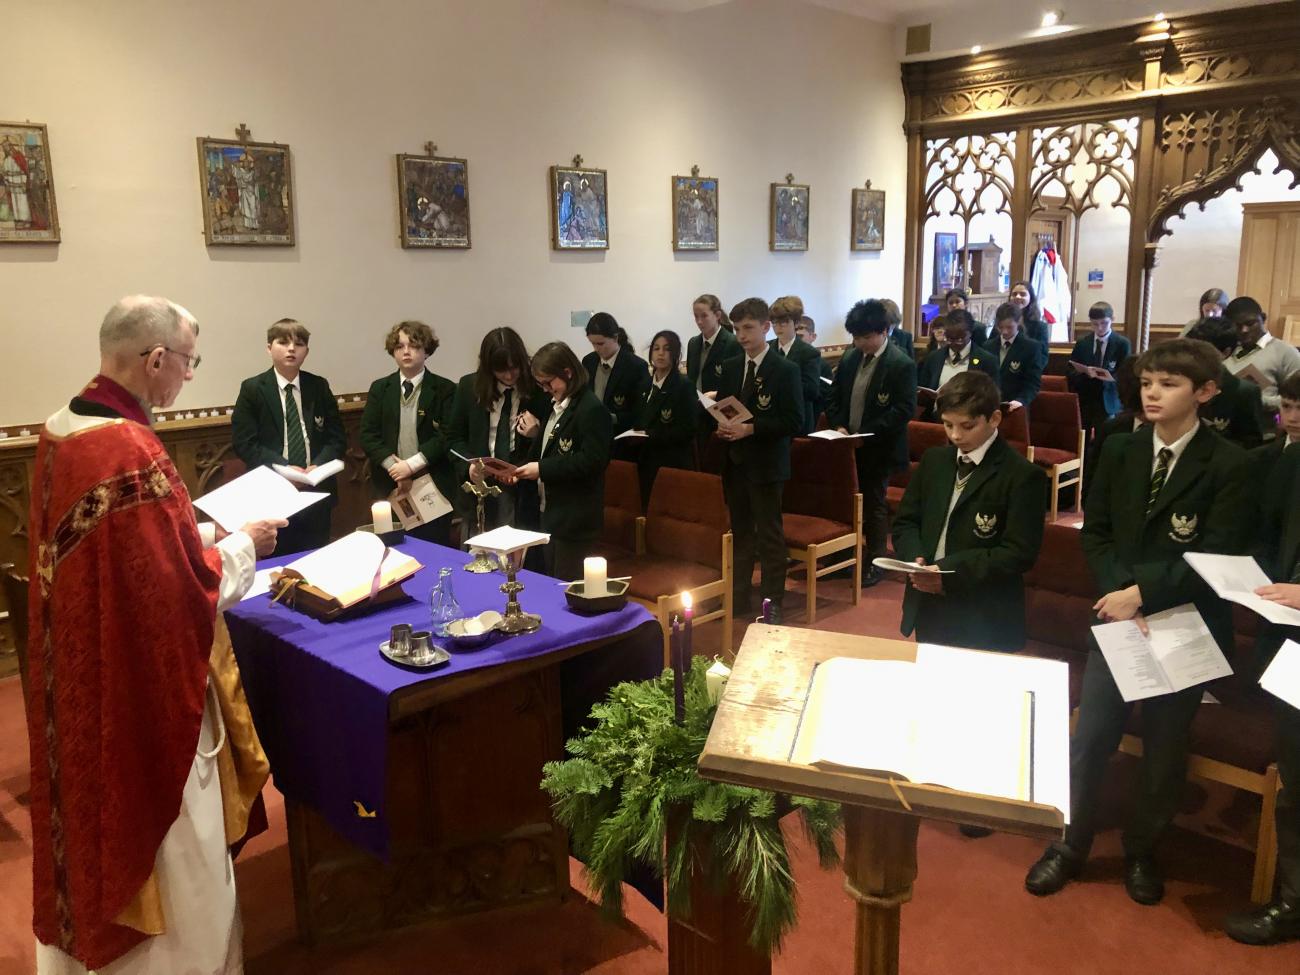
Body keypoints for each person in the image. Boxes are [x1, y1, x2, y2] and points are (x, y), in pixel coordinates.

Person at [27, 295, 282, 975]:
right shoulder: (128, 447)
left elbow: (125, 555)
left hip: (87, 672)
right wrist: (244, 547)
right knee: (176, 844)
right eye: (188, 362)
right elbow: (175, 594)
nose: (189, 377)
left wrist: (194, 535)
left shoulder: (62, 429)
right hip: (144, 694)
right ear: (155, 358)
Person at [1025, 338, 1252, 906]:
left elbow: (1220, 551)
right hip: (1119, 616)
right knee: (1092, 736)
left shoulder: (1229, 462)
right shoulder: (1121, 448)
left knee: (1165, 747)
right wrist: (1120, 592)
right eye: (1148, 382)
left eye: (1169, 384)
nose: (1153, 393)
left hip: (1185, 622)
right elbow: (1096, 530)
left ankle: (1142, 849)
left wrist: (1143, 592)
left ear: (1205, 392)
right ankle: (1070, 844)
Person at [892, 370, 1048, 651]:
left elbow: (1018, 553)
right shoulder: (934, 461)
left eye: (967, 426)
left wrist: (947, 572)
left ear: (994, 419)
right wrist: (913, 558)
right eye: (947, 424)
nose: (955, 435)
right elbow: (906, 521)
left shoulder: (1022, 475)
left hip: (983, 609)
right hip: (928, 600)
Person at [1223, 440, 1300, 944]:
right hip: (1290, 639)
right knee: (1296, 775)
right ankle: (1293, 900)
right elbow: (1270, 535)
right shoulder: (1291, 461)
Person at [711, 297, 803, 623]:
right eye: (736, 329)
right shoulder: (733, 365)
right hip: (736, 462)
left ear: (766, 327)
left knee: (768, 535)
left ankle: (771, 600)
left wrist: (751, 429)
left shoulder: (785, 369)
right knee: (740, 533)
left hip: (766, 463)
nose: (741, 336)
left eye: (748, 328)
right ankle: (738, 596)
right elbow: (727, 406)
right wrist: (723, 426)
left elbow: (795, 421)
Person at [231, 318, 347, 555]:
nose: (291, 349)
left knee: (316, 557)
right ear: (269, 348)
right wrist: (287, 470)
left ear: (307, 351)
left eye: (299, 344)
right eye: (283, 342)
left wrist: (317, 466)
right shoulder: (253, 388)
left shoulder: (318, 386)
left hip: (316, 488)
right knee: (278, 561)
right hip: (273, 488)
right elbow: (245, 443)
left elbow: (336, 437)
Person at [827, 299, 918, 588]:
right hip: (847, 442)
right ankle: (847, 555)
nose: (860, 343)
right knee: (846, 500)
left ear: (883, 332)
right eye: (855, 337)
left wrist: (866, 432)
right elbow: (835, 395)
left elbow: (903, 409)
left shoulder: (900, 363)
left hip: (880, 446)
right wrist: (840, 424)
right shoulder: (851, 357)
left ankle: (875, 560)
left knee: (874, 503)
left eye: (866, 337)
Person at [514, 342, 611, 582]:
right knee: (552, 580)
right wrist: (520, 469)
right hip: (551, 513)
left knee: (568, 587)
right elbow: (548, 451)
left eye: (549, 383)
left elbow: (592, 460)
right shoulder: (556, 406)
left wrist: (541, 469)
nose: (546, 389)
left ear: (568, 372)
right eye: (541, 384)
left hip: (575, 519)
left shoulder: (591, 409)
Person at [359, 321, 458, 545]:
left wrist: (411, 465)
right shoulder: (380, 388)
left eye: (413, 345)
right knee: (394, 551)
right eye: (399, 346)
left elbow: (447, 435)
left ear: (426, 351)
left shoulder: (445, 389)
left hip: (432, 484)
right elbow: (367, 434)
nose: (406, 351)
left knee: (434, 549)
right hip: (390, 485)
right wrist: (395, 468)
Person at [447, 326, 548, 531]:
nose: (510, 375)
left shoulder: (539, 389)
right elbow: (453, 438)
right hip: (481, 487)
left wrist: (536, 434)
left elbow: (551, 441)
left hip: (522, 490)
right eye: (501, 370)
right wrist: (469, 467)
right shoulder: (469, 386)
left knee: (518, 555)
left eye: (515, 367)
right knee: (479, 554)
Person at [1186, 316, 1270, 451]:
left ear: (1226, 352)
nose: (1193, 358)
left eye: (1202, 353)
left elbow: (1250, 444)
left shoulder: (1243, 391)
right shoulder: (1179, 383)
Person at [636, 330, 697, 506]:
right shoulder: (645, 384)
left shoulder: (683, 385)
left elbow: (688, 429)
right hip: (646, 460)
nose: (660, 353)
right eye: (656, 348)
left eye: (667, 349)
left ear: (676, 353)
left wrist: (652, 434)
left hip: (672, 461)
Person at [685, 294, 743, 471]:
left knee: (719, 462)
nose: (699, 321)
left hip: (722, 408)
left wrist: (716, 394)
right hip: (698, 409)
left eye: (704, 316)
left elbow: (737, 381)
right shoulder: (694, 343)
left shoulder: (732, 342)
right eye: (696, 316)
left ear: (717, 315)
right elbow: (692, 377)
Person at [582, 311, 649, 453]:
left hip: (621, 440)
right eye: (592, 343)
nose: (596, 348)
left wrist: (612, 418)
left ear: (615, 338)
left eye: (601, 343)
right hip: (592, 437)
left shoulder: (636, 366)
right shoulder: (589, 361)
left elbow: (640, 412)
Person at [1223, 295, 1300, 414]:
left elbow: (1296, 397)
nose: (1244, 330)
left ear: (1263, 318)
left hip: (1268, 427)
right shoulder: (1227, 352)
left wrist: (1254, 399)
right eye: (1238, 326)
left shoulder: (1285, 352)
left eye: (1250, 323)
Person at [1067, 301, 1132, 436]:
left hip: (1107, 399)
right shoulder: (1083, 342)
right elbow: (1070, 369)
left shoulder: (1121, 343)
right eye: (1095, 324)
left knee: (1104, 437)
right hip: (1086, 397)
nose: (1100, 328)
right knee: (1081, 437)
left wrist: (1109, 376)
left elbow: (1126, 372)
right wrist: (1084, 372)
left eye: (1104, 323)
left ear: (1112, 320)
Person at [916, 311, 999, 406]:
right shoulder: (933, 357)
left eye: (960, 338)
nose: (954, 343)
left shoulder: (987, 360)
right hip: (935, 416)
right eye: (950, 338)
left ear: (970, 333)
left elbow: (992, 398)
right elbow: (923, 389)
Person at [769, 295, 823, 434]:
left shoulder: (809, 353)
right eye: (774, 323)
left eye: (783, 322)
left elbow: (811, 390)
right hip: (772, 417)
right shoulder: (768, 348)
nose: (777, 328)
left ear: (796, 322)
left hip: (799, 421)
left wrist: (781, 384)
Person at [986, 302, 1044, 414]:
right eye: (1001, 327)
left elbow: (1033, 383)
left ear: (1018, 322)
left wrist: (1020, 401)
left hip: (1016, 407)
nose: (1004, 332)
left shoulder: (1031, 347)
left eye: (1009, 327)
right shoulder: (988, 346)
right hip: (990, 406)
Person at [1008, 280, 1052, 367]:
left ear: (1030, 298)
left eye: (1023, 294)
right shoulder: (1002, 321)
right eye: (1014, 294)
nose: (1018, 297)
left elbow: (1042, 356)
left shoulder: (1040, 327)